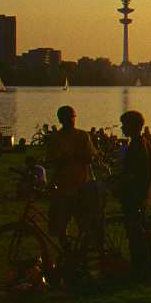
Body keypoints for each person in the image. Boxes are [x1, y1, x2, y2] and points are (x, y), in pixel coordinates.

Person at [115, 110, 151, 282]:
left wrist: (119, 183)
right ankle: (148, 268)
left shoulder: (137, 146)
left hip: (134, 196)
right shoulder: (143, 143)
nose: (122, 128)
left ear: (132, 126)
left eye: (124, 125)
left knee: (135, 234)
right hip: (141, 194)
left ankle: (140, 269)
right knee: (140, 233)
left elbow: (133, 173)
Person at [45, 106, 96, 247]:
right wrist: (61, 159)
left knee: (84, 224)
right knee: (60, 225)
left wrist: (76, 156)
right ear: (61, 120)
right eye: (69, 117)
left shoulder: (82, 136)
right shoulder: (55, 138)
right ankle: (67, 250)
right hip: (61, 187)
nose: (71, 120)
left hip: (81, 186)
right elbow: (50, 161)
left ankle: (83, 252)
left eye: (73, 117)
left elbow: (90, 158)